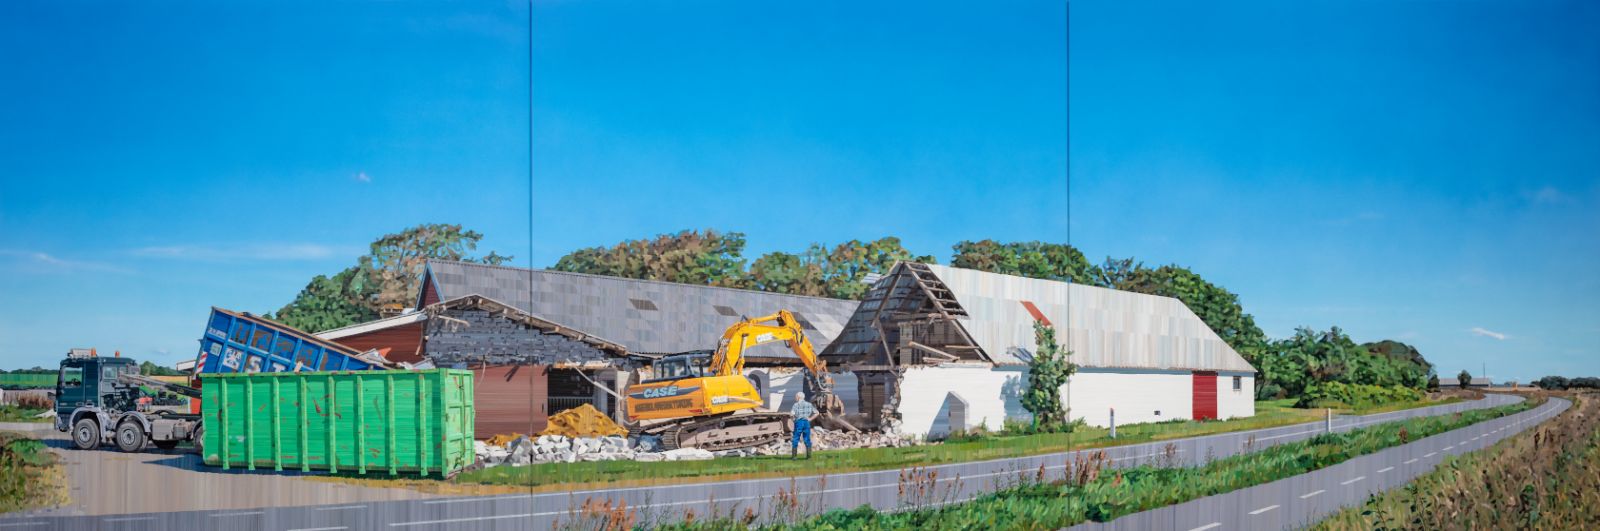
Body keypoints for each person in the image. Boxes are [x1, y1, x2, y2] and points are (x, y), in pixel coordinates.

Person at [790, 392, 817, 459]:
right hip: (806, 422)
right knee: (807, 438)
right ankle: (809, 456)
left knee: (796, 438)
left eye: (795, 397)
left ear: (798, 397)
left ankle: (794, 456)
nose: (795, 398)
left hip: (798, 422)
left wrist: (793, 420)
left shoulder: (796, 405)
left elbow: (791, 414)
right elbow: (817, 413)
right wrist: (810, 419)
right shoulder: (809, 404)